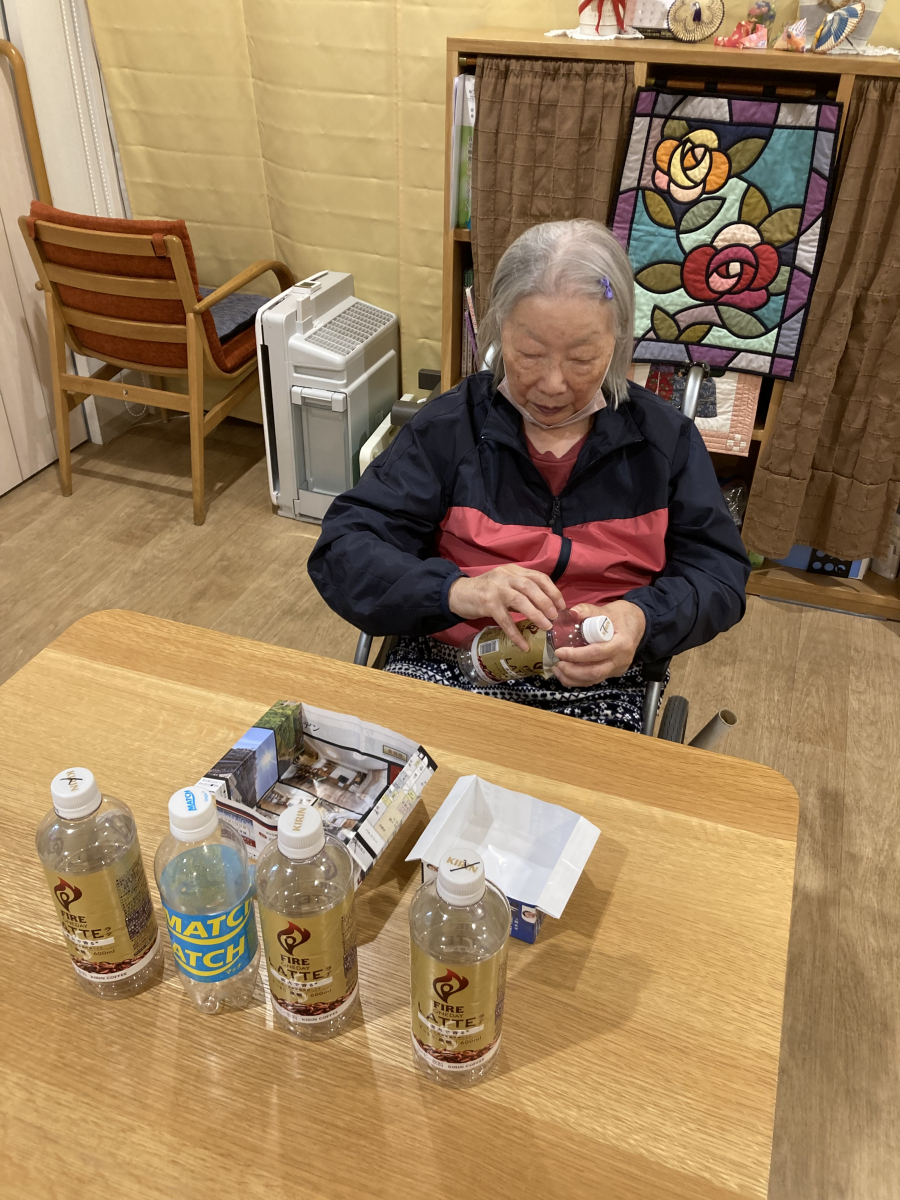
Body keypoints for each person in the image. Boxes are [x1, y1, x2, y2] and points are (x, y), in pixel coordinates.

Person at [308, 219, 750, 733]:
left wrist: (641, 619)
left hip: (599, 680)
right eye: (530, 354)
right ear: (498, 331)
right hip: (451, 662)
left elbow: (719, 574)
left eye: (582, 358)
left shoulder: (664, 443)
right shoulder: (450, 429)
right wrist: (459, 591)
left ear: (617, 342)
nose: (553, 384)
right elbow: (343, 548)